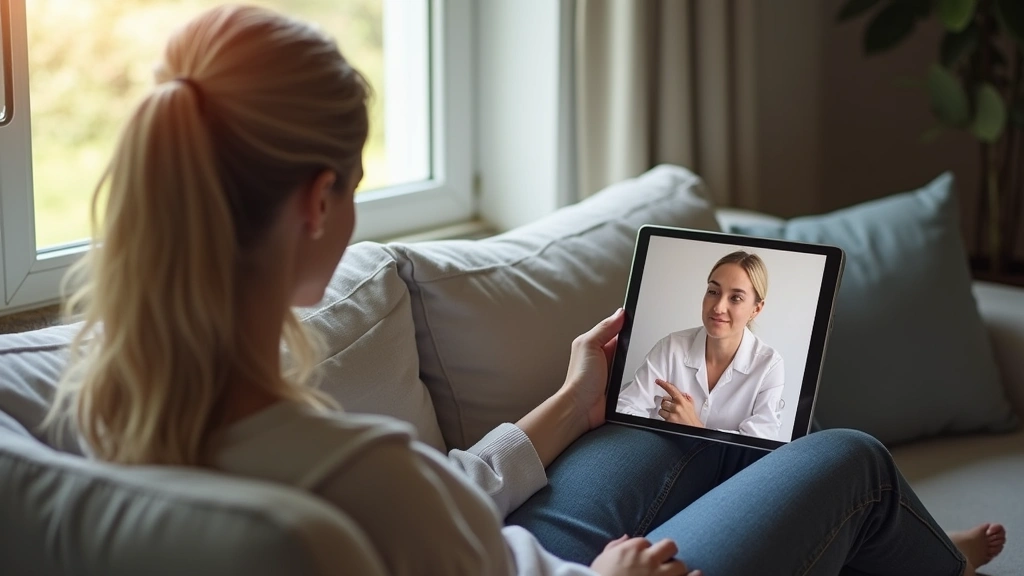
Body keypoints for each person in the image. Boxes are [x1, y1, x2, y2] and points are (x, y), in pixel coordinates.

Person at [46, 5, 1007, 576]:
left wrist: (563, 407)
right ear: (317, 201)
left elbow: (425, 512)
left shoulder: (107, 400)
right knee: (852, 460)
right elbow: (405, 503)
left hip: (509, 546)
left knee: (659, 421)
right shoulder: (351, 465)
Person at [616, 251, 785, 440]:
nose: (718, 307)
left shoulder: (769, 365)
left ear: (756, 309)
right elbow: (624, 409)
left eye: (736, 298)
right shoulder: (672, 347)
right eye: (713, 292)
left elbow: (760, 443)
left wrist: (694, 427)